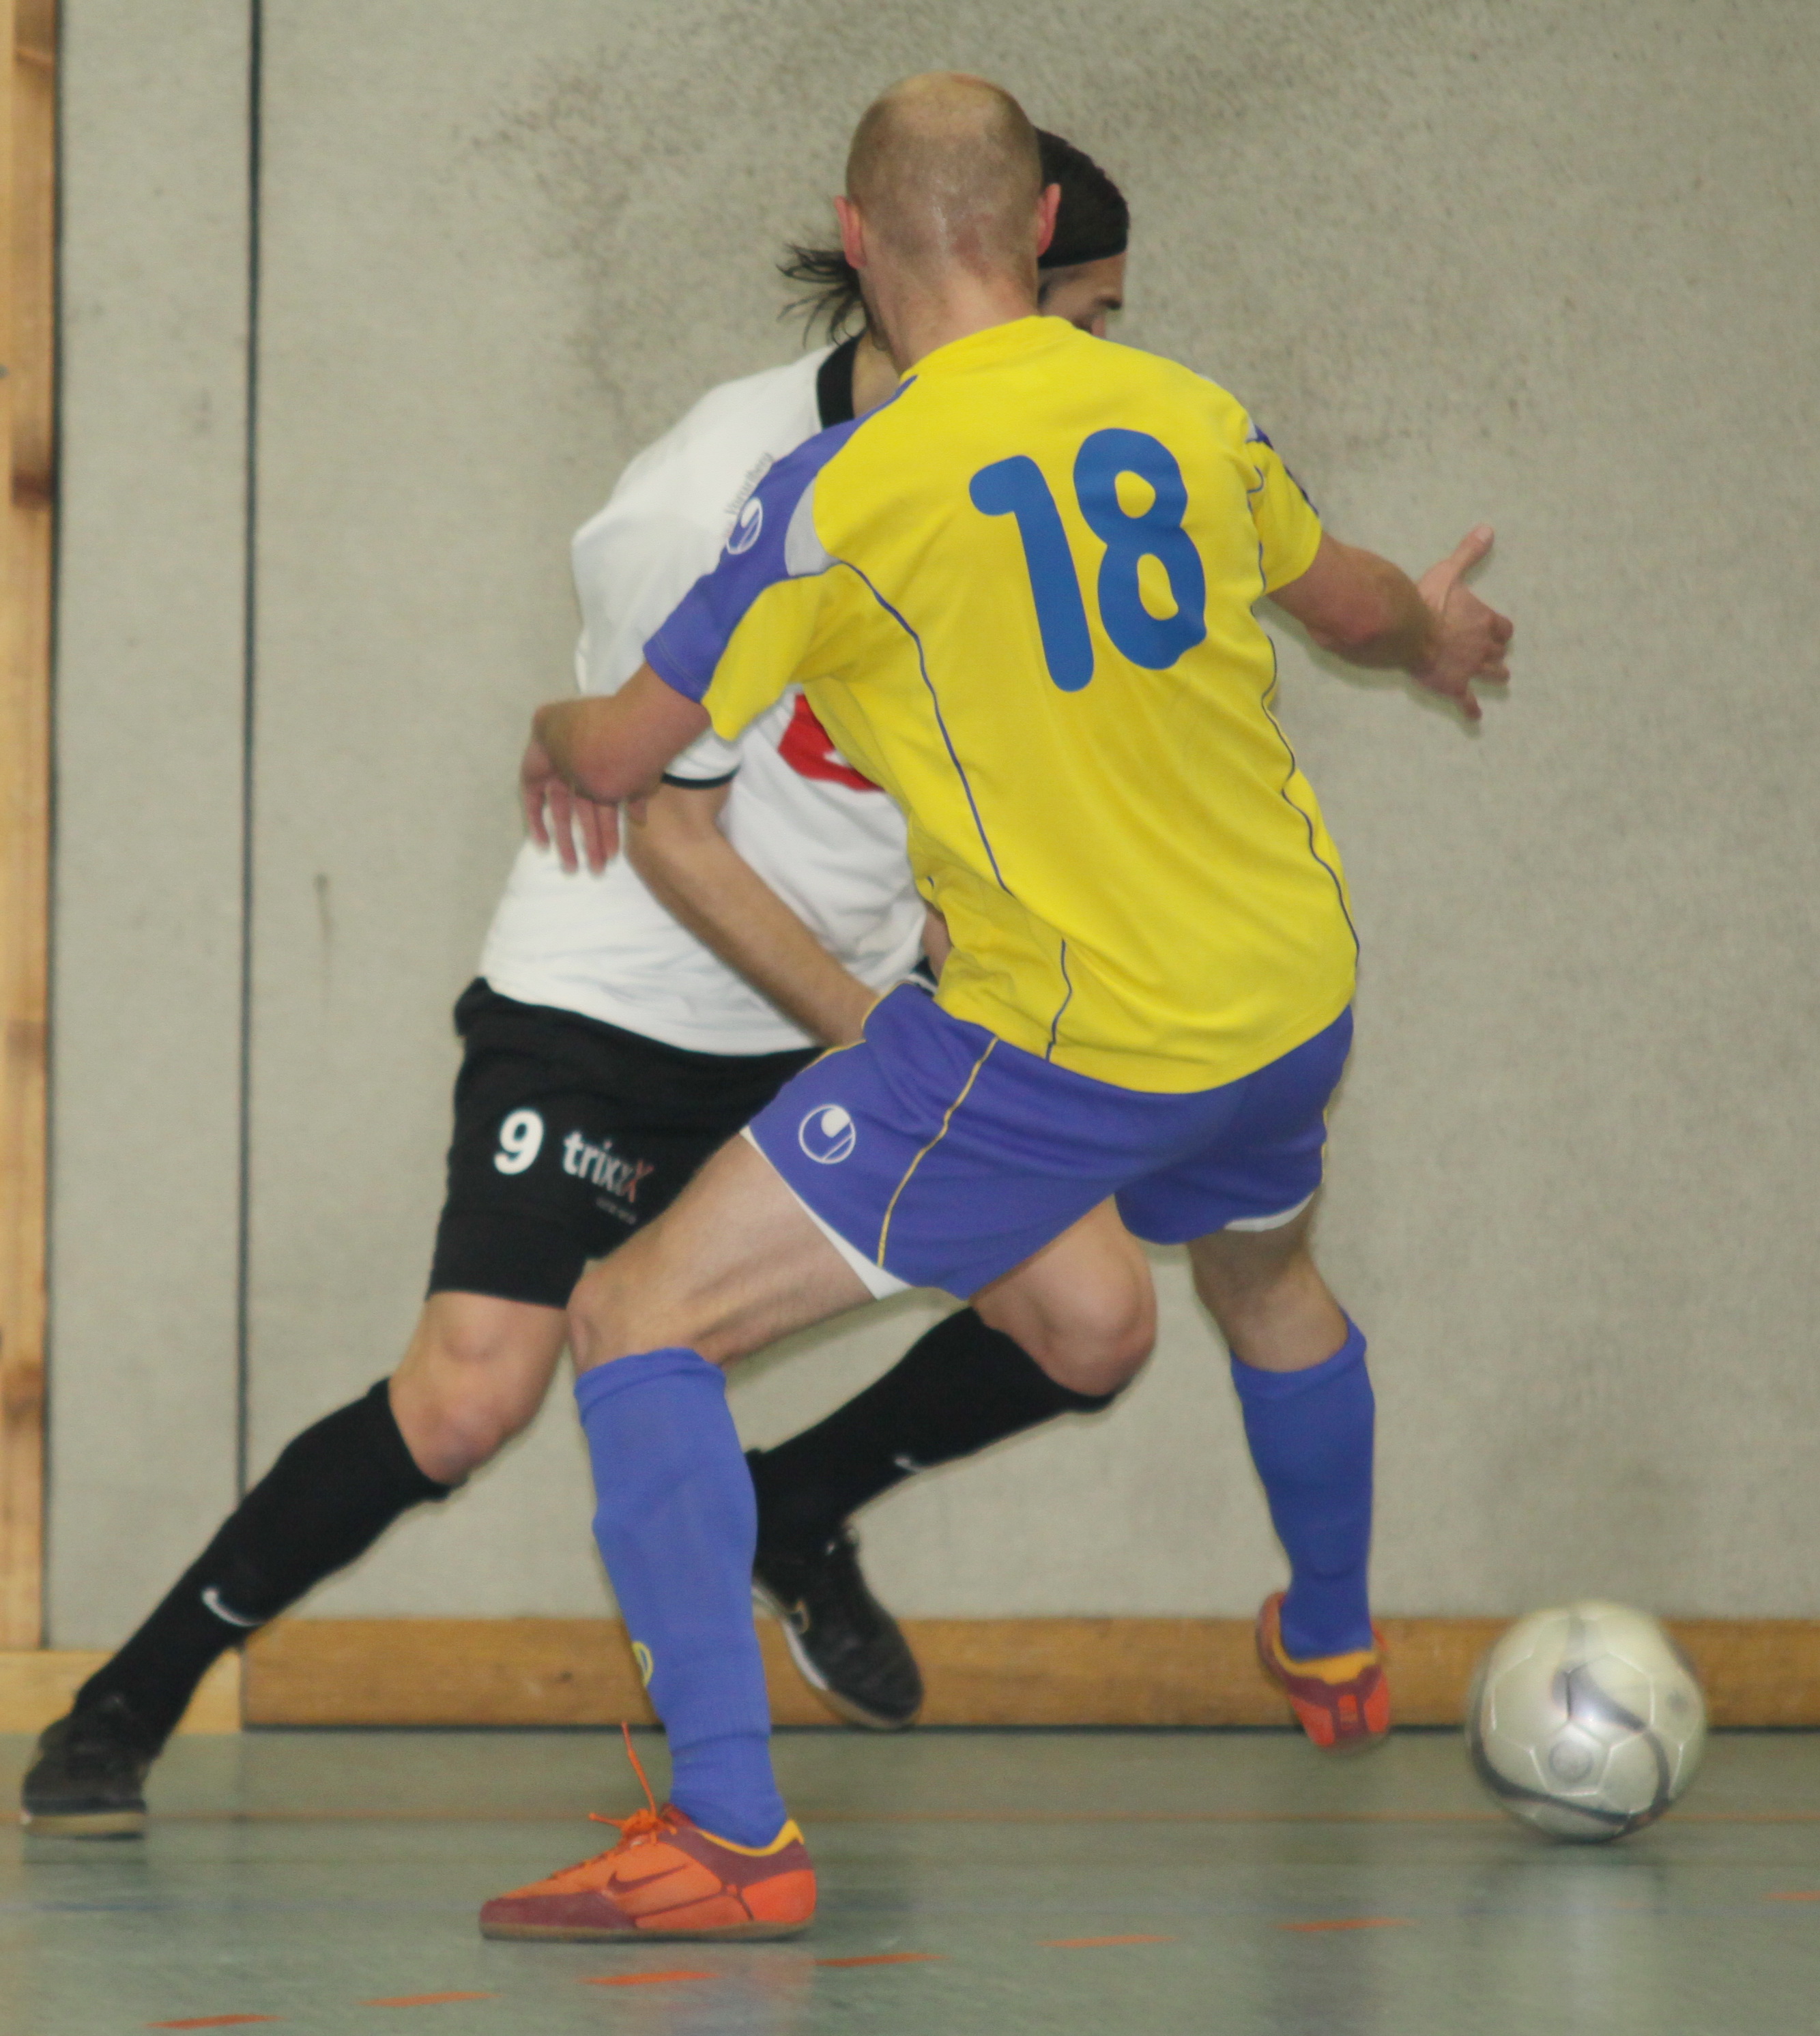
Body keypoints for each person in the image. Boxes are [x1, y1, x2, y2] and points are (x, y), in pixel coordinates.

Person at [478, 72, 1512, 1944]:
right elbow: (1359, 611)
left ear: (855, 240)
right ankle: (1334, 1643)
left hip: (1061, 1052)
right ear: (1043, 230)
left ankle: (726, 1838)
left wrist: (553, 729)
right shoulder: (1186, 412)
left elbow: (624, 755)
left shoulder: (839, 494)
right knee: (1264, 1277)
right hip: (1285, 1001)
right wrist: (1439, 636)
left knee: (634, 1319)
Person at [18, 134, 1138, 1840]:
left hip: (844, 996)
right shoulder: (717, 492)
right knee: (468, 1394)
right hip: (622, 992)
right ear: (975, 270)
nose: (1101, 361)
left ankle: (795, 1505)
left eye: (1112, 329)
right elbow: (667, 830)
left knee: (1094, 1313)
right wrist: (882, 1031)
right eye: (1085, 320)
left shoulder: (1044, 491)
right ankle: (129, 1694)